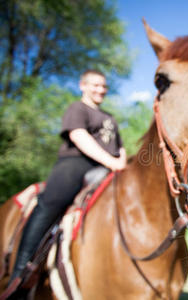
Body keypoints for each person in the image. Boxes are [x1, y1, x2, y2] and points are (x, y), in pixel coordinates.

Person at [7, 70, 127, 291]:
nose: (100, 90)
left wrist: (122, 163)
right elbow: (79, 136)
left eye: (103, 86)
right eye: (95, 85)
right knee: (49, 203)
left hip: (108, 167)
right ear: (83, 85)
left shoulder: (110, 117)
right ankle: (20, 273)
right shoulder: (77, 108)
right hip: (77, 164)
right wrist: (112, 161)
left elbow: (120, 147)